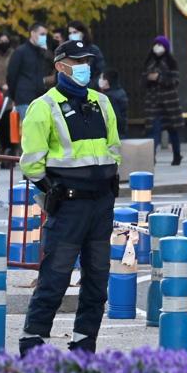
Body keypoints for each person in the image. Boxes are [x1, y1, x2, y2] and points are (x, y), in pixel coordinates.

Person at [18, 40, 121, 357]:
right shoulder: (43, 107)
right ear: (60, 66)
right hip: (69, 205)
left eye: (87, 61)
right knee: (54, 278)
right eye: (77, 62)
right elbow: (31, 162)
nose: (84, 67)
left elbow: (113, 148)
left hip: (100, 204)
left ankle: (83, 344)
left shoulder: (101, 103)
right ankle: (32, 343)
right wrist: (51, 189)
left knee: (97, 281)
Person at [143, 35, 184, 166]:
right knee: (153, 131)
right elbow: (142, 80)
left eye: (160, 45)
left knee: (173, 131)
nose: (157, 47)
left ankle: (177, 155)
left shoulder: (171, 62)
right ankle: (151, 156)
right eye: (156, 44)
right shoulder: (149, 61)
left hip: (169, 103)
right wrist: (148, 79)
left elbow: (175, 81)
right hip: (153, 103)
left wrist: (159, 78)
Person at [6, 23, 52, 121]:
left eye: (45, 35)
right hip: (24, 98)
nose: (44, 38)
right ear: (33, 33)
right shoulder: (20, 52)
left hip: (39, 98)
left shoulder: (42, 54)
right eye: (42, 34)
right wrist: (14, 96)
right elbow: (11, 76)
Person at [99, 69, 128, 137]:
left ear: (106, 81)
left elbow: (115, 117)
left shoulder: (110, 97)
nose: (99, 80)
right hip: (120, 133)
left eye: (101, 78)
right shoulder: (120, 92)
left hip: (113, 134)